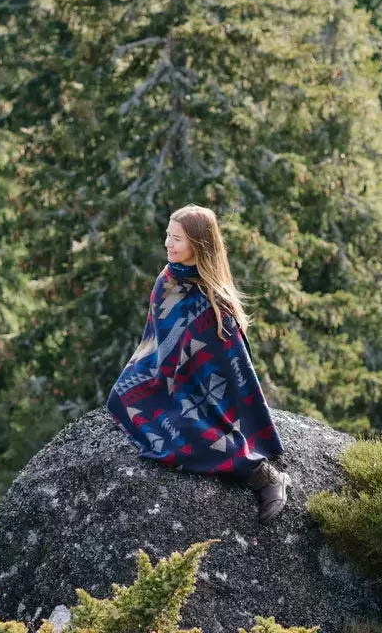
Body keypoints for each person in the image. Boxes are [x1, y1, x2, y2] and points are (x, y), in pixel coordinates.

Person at [106, 204, 291, 522]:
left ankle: (262, 475)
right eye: (167, 235)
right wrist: (158, 376)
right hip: (165, 375)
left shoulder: (214, 301)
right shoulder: (166, 280)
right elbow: (156, 341)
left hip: (207, 394)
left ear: (198, 244)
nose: (167, 243)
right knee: (121, 396)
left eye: (176, 238)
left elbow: (233, 367)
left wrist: (194, 392)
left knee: (185, 434)